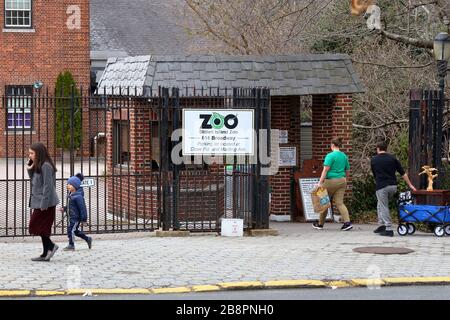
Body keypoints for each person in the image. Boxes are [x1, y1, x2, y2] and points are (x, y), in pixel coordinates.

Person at [371, 141, 417, 237]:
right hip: (393, 186)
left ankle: (388, 228)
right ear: (386, 149)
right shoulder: (393, 158)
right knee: (380, 204)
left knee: (383, 206)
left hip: (381, 186)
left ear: (377, 149)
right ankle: (381, 225)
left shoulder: (374, 159)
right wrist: (410, 185)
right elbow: (403, 173)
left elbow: (375, 174)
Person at [27, 142, 60, 262]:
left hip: (46, 203)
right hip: (40, 202)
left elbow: (48, 186)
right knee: (42, 228)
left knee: (35, 226)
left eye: (31, 153)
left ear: (39, 153)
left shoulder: (46, 166)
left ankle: (51, 246)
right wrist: (30, 168)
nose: (29, 155)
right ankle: (45, 253)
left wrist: (44, 204)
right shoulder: (39, 165)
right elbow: (34, 181)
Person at [313, 137, 353, 231]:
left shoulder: (330, 156)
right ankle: (347, 223)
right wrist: (346, 180)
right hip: (342, 181)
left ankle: (320, 224)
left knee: (324, 202)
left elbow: (325, 170)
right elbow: (347, 170)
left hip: (330, 181)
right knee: (339, 203)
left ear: (332, 145)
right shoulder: (344, 156)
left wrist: (319, 183)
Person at [62, 173, 92, 251]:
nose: (67, 186)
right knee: (74, 231)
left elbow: (82, 209)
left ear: (75, 186)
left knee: (71, 231)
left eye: (70, 184)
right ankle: (87, 239)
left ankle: (71, 245)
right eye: (67, 184)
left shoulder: (78, 197)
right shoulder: (71, 195)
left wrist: (84, 220)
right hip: (71, 217)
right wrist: (64, 209)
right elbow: (71, 206)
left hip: (75, 218)